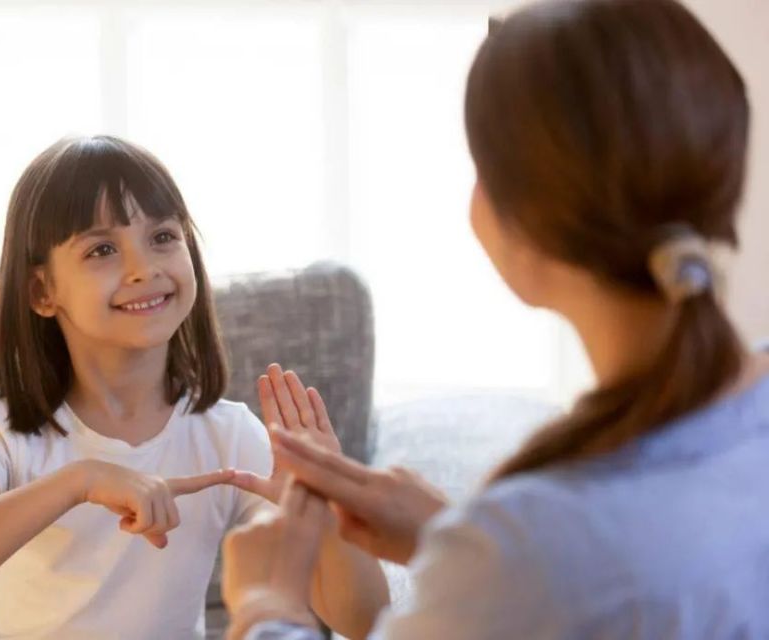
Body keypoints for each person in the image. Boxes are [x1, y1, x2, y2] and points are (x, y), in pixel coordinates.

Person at [222, 0, 769, 638]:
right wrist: (448, 538)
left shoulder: (532, 547)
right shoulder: (532, 549)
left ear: (524, 225)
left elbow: (570, 573)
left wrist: (264, 605)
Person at [0, 135, 388, 639]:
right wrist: (79, 481)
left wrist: (323, 502)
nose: (143, 269)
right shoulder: (1, 431)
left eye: (163, 237)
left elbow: (364, 622)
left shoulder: (229, 435)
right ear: (42, 291)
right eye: (103, 249)